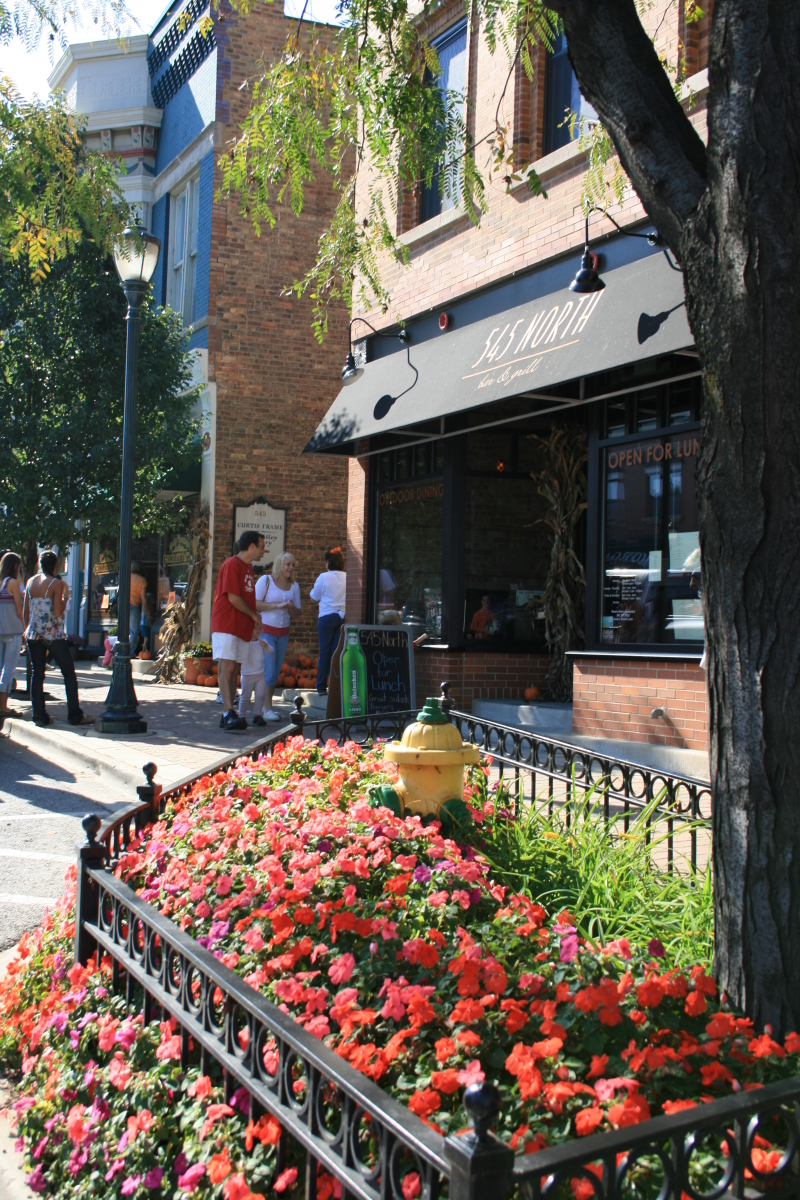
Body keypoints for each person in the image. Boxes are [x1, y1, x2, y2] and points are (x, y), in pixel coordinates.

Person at [23, 549, 86, 727]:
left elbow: (25, 611)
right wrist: (66, 598)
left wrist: (26, 629)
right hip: (52, 633)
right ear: (56, 565)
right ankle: (74, 715)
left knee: (37, 674)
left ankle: (39, 716)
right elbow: (58, 612)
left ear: (39, 564)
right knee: (68, 673)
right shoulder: (56, 584)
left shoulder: (30, 582)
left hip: (33, 633)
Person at [210, 531, 264, 731]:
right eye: (261, 546)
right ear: (251, 546)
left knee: (235, 671)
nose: (263, 551)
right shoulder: (232, 564)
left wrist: (252, 621)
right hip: (226, 623)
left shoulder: (249, 570)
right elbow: (233, 597)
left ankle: (229, 714)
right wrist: (252, 615)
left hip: (240, 626)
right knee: (228, 667)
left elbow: (247, 599)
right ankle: (227, 712)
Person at [255, 550, 301, 721]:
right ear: (280, 565)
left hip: (283, 634)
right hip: (267, 632)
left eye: (292, 565)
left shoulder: (294, 586)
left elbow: (298, 613)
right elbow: (254, 602)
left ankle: (265, 706)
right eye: (288, 564)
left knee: (274, 672)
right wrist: (276, 606)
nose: (291, 568)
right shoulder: (266, 581)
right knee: (269, 670)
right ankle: (267, 708)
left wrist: (290, 608)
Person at [309, 546, 346, 694]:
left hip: (326, 617)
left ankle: (321, 686)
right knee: (337, 652)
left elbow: (313, 597)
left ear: (328, 563)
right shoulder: (348, 577)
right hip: (342, 616)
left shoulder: (323, 577)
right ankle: (336, 685)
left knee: (324, 652)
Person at [0, 552, 24, 724]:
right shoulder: (13, 582)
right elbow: (19, 610)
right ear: (16, 566)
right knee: (8, 670)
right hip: (13, 630)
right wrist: (24, 628)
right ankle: (3, 706)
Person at [238, 623, 270, 726]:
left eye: (259, 628)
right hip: (247, 674)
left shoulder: (262, 642)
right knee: (246, 696)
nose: (257, 630)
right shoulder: (244, 642)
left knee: (260, 695)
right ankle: (242, 716)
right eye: (254, 628)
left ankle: (257, 715)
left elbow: (271, 650)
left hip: (260, 674)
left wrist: (266, 646)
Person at [129, 562, 148, 656]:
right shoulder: (142, 580)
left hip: (123, 607)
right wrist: (147, 610)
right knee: (134, 632)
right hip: (134, 606)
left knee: (124, 631)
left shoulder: (126, 577)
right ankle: (129, 651)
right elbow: (143, 597)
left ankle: (115, 649)